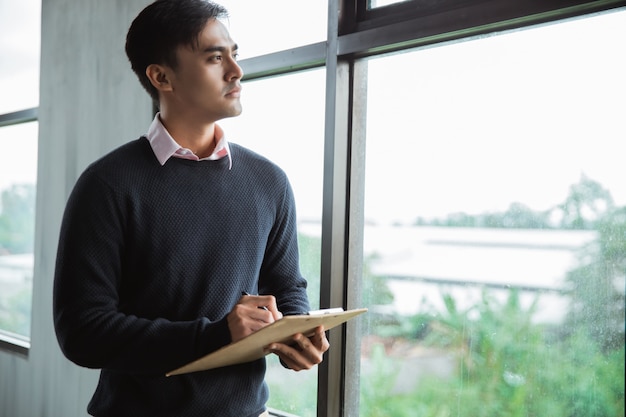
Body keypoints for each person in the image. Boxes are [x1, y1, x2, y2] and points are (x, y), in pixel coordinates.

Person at [52, 0, 329, 416]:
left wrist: (296, 336)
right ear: (161, 76)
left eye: (234, 54)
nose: (236, 71)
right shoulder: (107, 184)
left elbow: (286, 288)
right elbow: (83, 332)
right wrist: (216, 335)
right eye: (215, 57)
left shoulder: (270, 180)